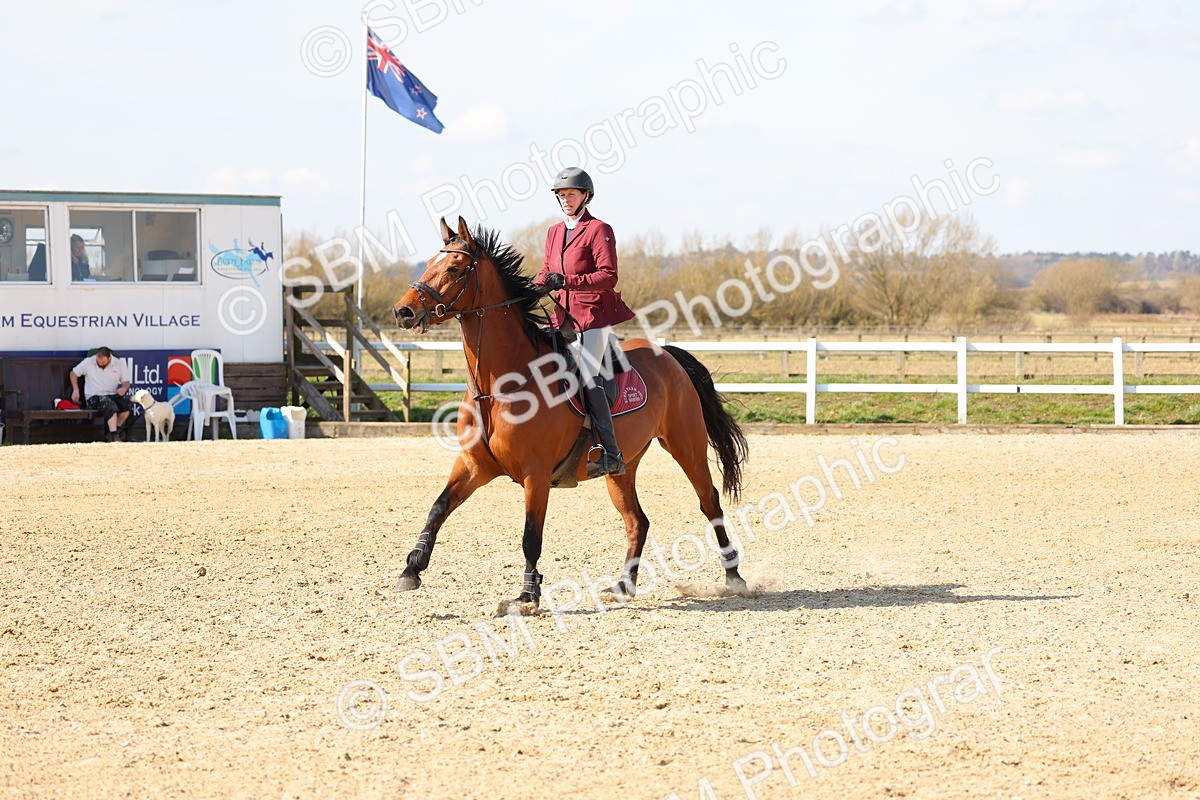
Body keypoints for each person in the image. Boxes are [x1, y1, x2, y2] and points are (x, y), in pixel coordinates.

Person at [534, 167, 635, 478]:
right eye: (562, 195)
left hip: (592, 317)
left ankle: (610, 452)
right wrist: (530, 289)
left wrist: (565, 280)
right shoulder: (553, 232)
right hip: (561, 316)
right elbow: (545, 271)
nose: (566, 200)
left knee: (588, 374)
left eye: (571, 194)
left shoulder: (599, 229)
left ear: (585, 196)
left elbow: (608, 276)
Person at [70, 347, 134, 442]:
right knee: (109, 404)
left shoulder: (119, 363)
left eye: (103, 363)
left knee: (127, 406)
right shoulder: (88, 362)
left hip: (111, 394)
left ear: (109, 359)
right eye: (98, 362)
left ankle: (111, 433)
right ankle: (114, 437)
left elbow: (126, 382)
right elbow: (73, 373)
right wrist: (76, 389)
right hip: (94, 397)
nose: (100, 364)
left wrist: (124, 388)